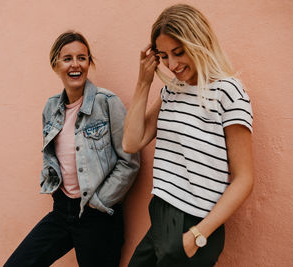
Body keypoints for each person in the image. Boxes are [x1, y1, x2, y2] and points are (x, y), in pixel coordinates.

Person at [123, 4, 254, 267]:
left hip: (193, 223)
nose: (172, 64)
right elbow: (131, 142)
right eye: (164, 55)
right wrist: (144, 81)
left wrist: (197, 235)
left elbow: (244, 179)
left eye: (179, 52)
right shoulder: (172, 90)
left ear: (199, 42)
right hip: (161, 216)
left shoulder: (227, 92)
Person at [4, 31, 140, 267]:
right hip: (62, 210)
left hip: (98, 215)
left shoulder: (107, 102)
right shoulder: (50, 108)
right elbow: (51, 155)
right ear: (55, 64)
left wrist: (99, 201)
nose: (75, 65)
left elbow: (129, 161)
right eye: (67, 58)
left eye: (82, 58)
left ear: (89, 62)